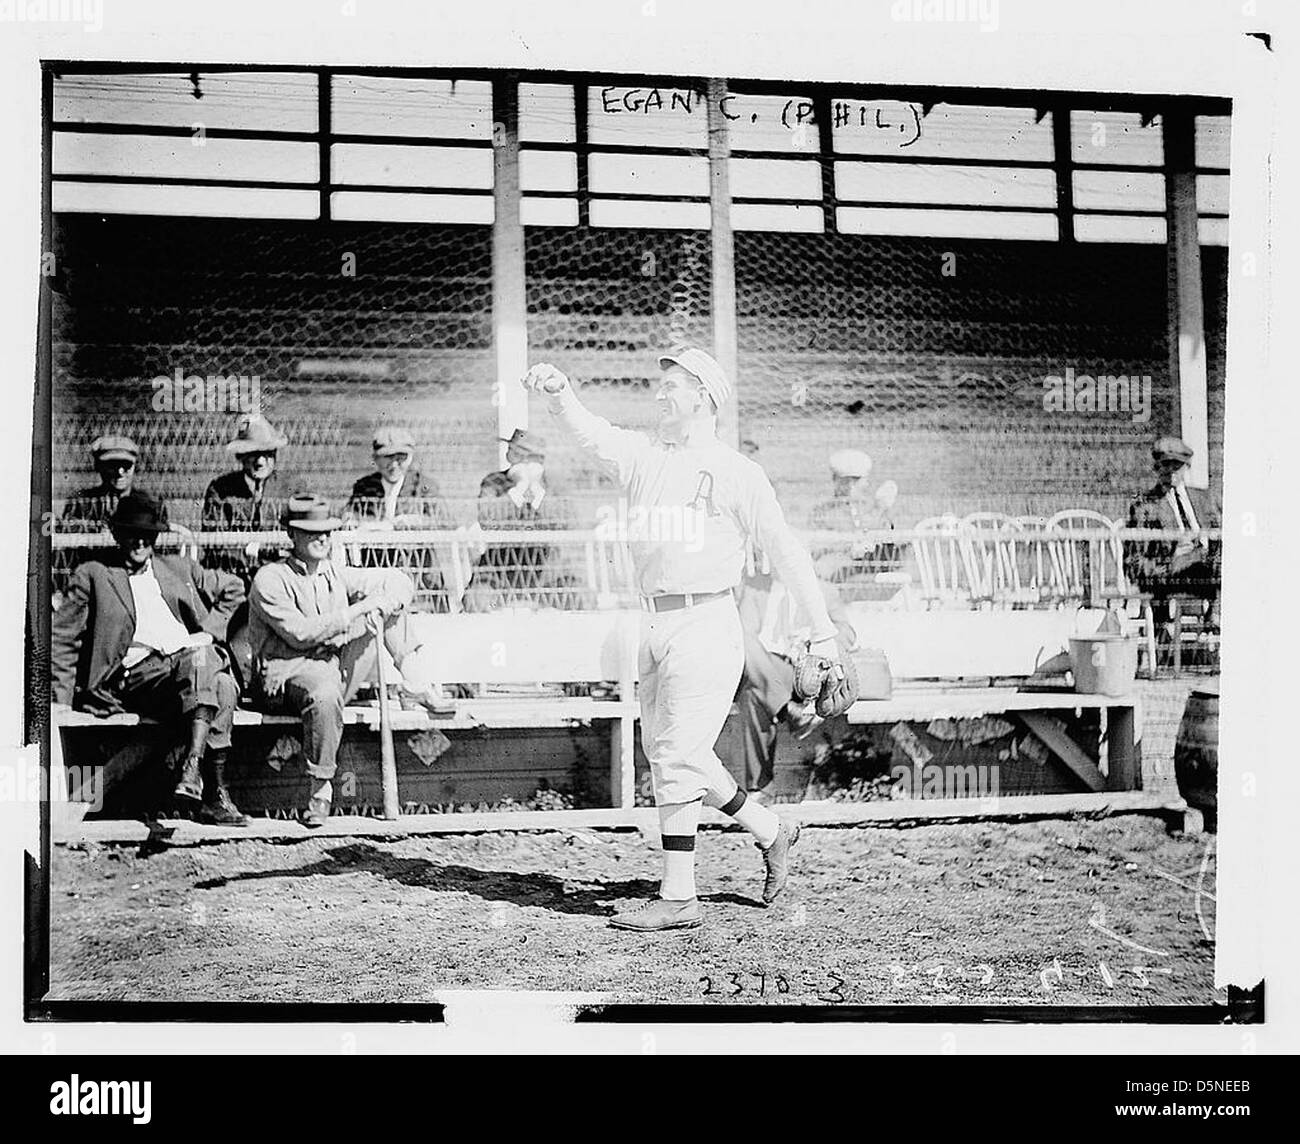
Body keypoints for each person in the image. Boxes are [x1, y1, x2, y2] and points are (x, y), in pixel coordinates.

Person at [522, 346, 843, 932]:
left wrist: (821, 633)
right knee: (678, 755)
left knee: (676, 756)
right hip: (652, 619)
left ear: (704, 396)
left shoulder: (738, 471)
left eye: (672, 385)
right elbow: (589, 433)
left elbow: (785, 551)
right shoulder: (644, 455)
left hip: (706, 620)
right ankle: (773, 830)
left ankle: (680, 895)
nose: (659, 394)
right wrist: (559, 393)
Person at [246, 495, 450, 827]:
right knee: (325, 689)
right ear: (291, 535)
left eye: (327, 532)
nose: (322, 539)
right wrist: (360, 609)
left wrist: (384, 602)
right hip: (284, 677)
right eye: (311, 532)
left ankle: (416, 683)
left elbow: (398, 581)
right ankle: (321, 790)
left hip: (329, 669)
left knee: (386, 612)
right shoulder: (270, 579)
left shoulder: (334, 573)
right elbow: (301, 634)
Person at [50, 492, 249, 825]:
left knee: (222, 682)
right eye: (131, 532)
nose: (140, 541)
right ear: (116, 534)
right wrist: (59, 699)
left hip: (189, 668)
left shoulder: (178, 567)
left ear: (157, 537)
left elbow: (235, 587)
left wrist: (210, 631)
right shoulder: (95, 574)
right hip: (138, 676)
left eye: (148, 534)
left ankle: (197, 775)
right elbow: (64, 638)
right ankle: (210, 787)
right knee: (210, 669)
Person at [735, 568, 858, 800]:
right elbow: (744, 635)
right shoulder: (756, 588)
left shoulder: (822, 589)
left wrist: (814, 644)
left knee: (754, 691)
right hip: (766, 664)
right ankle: (787, 709)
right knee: (747, 657)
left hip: (803, 671)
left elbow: (847, 632)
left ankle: (760, 788)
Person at [462, 428, 581, 611]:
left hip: (547, 569)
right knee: (476, 600)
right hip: (499, 568)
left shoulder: (554, 485)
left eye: (515, 454)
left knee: (580, 598)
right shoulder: (494, 482)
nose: (508, 456)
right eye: (510, 451)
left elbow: (568, 522)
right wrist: (518, 489)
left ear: (536, 462)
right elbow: (487, 520)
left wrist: (538, 493)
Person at [344, 427, 453, 611]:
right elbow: (349, 517)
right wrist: (353, 521)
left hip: (417, 570)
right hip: (376, 567)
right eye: (387, 458)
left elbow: (446, 522)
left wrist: (416, 521)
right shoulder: (364, 487)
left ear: (410, 458)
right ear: (375, 459)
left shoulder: (424, 486)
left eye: (400, 458)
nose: (394, 465)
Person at [1124, 435, 1222, 628]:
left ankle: (1215, 619)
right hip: (1167, 574)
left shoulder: (1204, 499)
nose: (1171, 471)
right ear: (1156, 468)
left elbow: (1220, 535)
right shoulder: (1145, 505)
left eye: (1177, 465)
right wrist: (1173, 558)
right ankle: (1212, 621)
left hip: (1204, 571)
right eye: (1165, 465)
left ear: (1187, 467)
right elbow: (1134, 563)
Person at [201, 414, 301, 583]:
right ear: (240, 456)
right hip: (233, 576)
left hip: (280, 576)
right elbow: (214, 540)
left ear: (275, 454)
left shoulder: (292, 488)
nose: (260, 461)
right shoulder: (221, 490)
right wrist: (252, 550)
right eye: (253, 454)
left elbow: (300, 536)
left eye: (267, 453)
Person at [60, 435, 140, 531]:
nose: (120, 472)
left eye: (126, 465)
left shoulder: (146, 504)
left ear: (135, 466)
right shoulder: (81, 503)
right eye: (113, 465)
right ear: (98, 466)